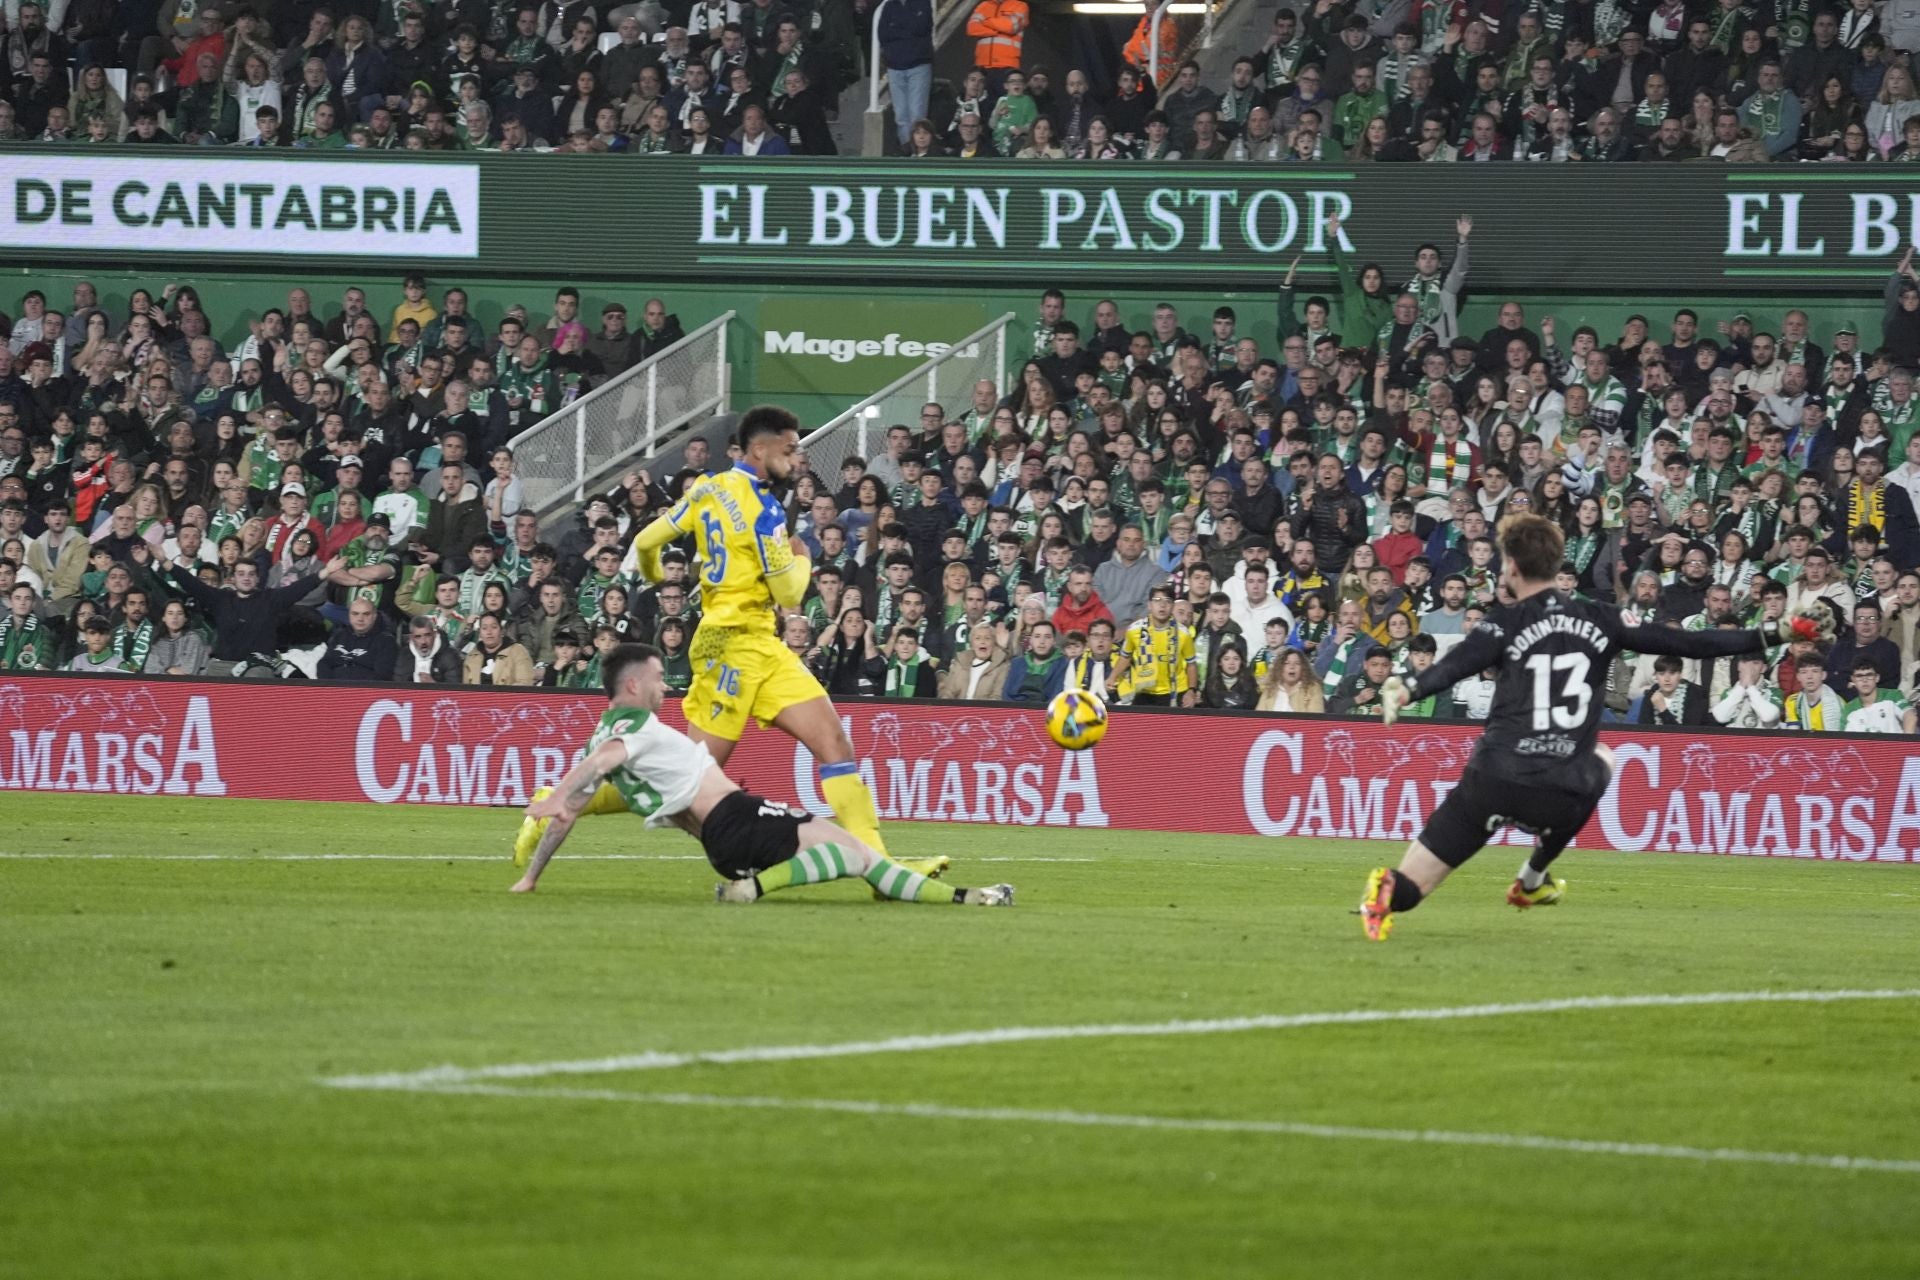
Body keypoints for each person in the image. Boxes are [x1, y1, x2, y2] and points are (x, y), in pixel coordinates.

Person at [1361, 513, 1832, 941]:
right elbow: (1688, 642)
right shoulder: (1602, 617)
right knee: (1603, 758)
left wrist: (1405, 690)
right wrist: (1774, 632)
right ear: (1556, 563)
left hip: (1493, 777)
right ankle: (1531, 880)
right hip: (1561, 785)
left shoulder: (1502, 623)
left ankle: (1387, 891)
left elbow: (1457, 665)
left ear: (1511, 569)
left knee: (1412, 888)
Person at [533, 407, 933, 875]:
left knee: (835, 745)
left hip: (762, 644)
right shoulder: (763, 509)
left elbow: (644, 541)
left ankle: (882, 869)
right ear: (760, 450)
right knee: (688, 781)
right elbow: (787, 592)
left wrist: (653, 574)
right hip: (728, 646)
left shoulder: (707, 488)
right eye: (789, 449)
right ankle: (555, 802)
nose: (797, 457)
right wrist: (802, 558)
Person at [511, 643, 1012, 907]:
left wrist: (533, 876)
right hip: (736, 819)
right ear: (635, 683)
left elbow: (570, 810)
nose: (667, 688)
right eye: (660, 679)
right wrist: (559, 791)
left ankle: (969, 898)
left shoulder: (598, 733)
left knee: (848, 855)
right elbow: (605, 761)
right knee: (857, 853)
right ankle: (969, 898)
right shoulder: (633, 724)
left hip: (720, 845)